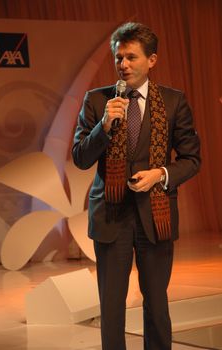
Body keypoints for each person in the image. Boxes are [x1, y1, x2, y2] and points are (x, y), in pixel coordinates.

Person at [72, 22, 200, 350]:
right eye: (118, 58)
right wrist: (103, 126)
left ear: (152, 60)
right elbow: (80, 158)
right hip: (110, 217)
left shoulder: (173, 102)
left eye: (131, 57)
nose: (123, 64)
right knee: (112, 308)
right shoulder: (97, 100)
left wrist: (161, 173)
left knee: (157, 304)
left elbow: (191, 159)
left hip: (155, 215)